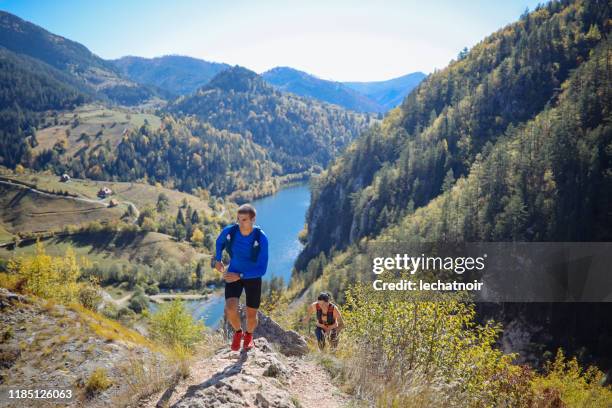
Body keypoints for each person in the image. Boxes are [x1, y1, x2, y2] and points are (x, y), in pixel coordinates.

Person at [214, 204, 269, 351]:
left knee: (251, 316)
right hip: (233, 274)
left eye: (244, 219)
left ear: (253, 219)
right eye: (238, 219)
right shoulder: (230, 231)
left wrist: (241, 276)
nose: (240, 223)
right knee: (230, 308)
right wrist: (218, 259)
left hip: (253, 277)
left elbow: (262, 268)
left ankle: (249, 335)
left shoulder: (261, 238)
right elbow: (219, 242)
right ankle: (238, 333)